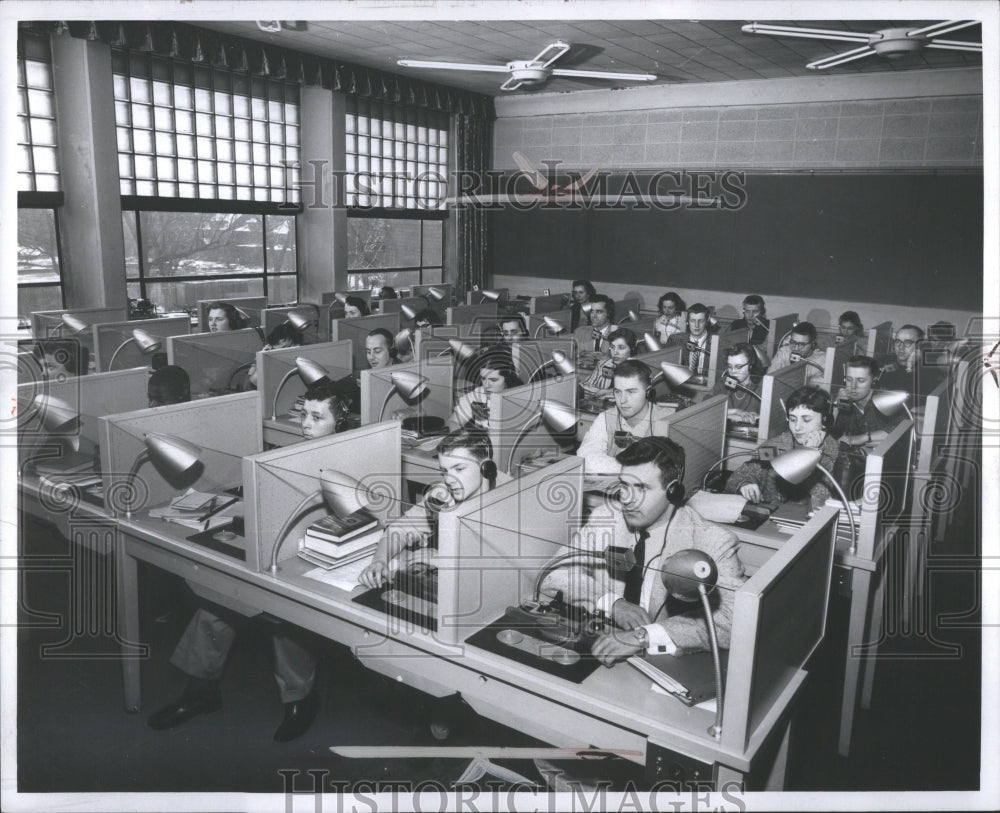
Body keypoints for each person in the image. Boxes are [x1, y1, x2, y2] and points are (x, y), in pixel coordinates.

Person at [147, 381, 346, 743]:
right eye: (305, 415)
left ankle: (300, 698)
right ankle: (200, 691)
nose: (305, 424)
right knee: (215, 601)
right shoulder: (292, 453)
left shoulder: (348, 462)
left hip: (315, 559)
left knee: (287, 620)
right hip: (272, 545)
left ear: (340, 424)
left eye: (317, 418)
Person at [547, 437, 746, 664]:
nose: (626, 499)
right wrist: (612, 603)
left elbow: (735, 620)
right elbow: (554, 573)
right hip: (602, 650)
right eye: (624, 485)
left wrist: (643, 636)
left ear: (673, 492)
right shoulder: (605, 519)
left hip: (663, 664)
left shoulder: (712, 541)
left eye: (641, 488)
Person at [358, 428, 509, 589]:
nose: (449, 480)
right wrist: (379, 561)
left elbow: (509, 566)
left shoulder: (514, 499)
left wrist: (447, 560)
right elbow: (399, 530)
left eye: (459, 469)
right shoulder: (443, 494)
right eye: (444, 471)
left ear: (486, 467)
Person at [724, 385, 840, 511]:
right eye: (792, 419)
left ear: (825, 420)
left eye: (806, 420)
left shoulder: (833, 453)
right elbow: (741, 475)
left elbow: (820, 501)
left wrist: (809, 453)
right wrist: (745, 484)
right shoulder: (777, 444)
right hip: (770, 520)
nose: (797, 427)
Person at [576, 359, 674, 476]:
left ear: (648, 392)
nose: (622, 400)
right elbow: (585, 456)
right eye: (618, 392)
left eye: (631, 392)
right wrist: (631, 470)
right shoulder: (606, 418)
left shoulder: (668, 421)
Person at [830, 355, 906, 497]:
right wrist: (836, 406)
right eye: (848, 379)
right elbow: (834, 434)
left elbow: (899, 431)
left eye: (861, 381)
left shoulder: (886, 399)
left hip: (888, 467)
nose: (852, 387)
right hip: (857, 467)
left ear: (874, 380)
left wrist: (863, 438)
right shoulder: (844, 400)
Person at [447, 351, 522, 431]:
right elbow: (453, 421)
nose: (486, 385)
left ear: (507, 379)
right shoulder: (477, 395)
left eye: (493, 380)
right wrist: (463, 436)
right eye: (483, 378)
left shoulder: (520, 398)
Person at [877, 324, 940, 395]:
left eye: (907, 343)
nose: (901, 347)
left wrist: (909, 366)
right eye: (898, 341)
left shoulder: (928, 370)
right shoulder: (886, 361)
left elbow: (909, 392)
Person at [711, 343, 764, 428]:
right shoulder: (723, 382)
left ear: (751, 364)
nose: (733, 371)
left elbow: (764, 419)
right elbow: (707, 410)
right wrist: (736, 412)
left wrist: (728, 415)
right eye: (729, 366)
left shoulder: (761, 388)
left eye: (738, 367)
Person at [769, 321, 828, 389]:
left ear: (813, 343)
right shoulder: (784, 352)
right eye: (793, 342)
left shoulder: (822, 360)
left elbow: (821, 388)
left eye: (801, 344)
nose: (796, 348)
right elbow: (770, 376)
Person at [247, 321, 304, 389]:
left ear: (296, 344)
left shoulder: (302, 360)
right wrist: (259, 362)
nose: (281, 353)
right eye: (276, 349)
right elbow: (250, 386)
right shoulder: (270, 363)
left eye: (285, 348)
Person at [582, 328, 637, 394]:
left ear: (632, 348)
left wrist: (607, 392)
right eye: (612, 347)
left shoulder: (638, 370)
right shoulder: (602, 364)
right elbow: (586, 385)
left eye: (621, 347)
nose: (615, 352)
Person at [572, 293, 615, 363]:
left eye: (599, 312)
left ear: (609, 313)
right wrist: (579, 357)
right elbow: (570, 357)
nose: (593, 316)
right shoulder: (580, 332)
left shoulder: (618, 334)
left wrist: (609, 359)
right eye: (592, 311)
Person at [677, 303, 712, 379]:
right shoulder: (676, 340)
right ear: (687, 321)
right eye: (693, 321)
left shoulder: (716, 344)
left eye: (701, 321)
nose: (696, 325)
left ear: (707, 321)